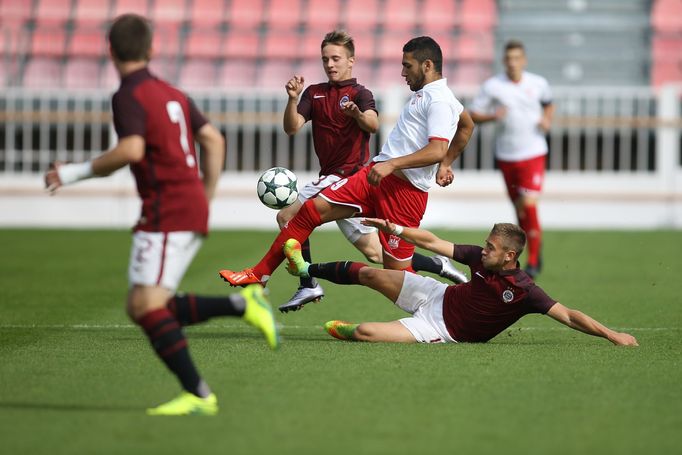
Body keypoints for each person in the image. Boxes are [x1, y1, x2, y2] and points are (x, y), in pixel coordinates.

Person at [43, 14, 279, 416]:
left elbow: (131, 150)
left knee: (147, 307)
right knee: (145, 304)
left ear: (110, 51)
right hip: (181, 206)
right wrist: (205, 193)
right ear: (152, 49)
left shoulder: (128, 95)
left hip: (167, 209)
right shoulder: (172, 93)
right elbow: (213, 139)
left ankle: (200, 394)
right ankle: (242, 307)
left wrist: (71, 172)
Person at [220, 36, 475, 304]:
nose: (402, 72)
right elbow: (467, 125)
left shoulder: (439, 101)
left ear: (427, 65)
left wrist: (402, 163)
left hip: (403, 193)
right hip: (374, 177)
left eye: (407, 66)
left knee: (397, 275)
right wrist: (445, 164)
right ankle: (260, 275)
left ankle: (452, 305)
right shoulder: (429, 95)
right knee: (307, 212)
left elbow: (437, 148)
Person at [281, 222, 638, 346]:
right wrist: (397, 230)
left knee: (365, 333)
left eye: (491, 248)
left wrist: (612, 334)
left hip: (439, 328)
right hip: (438, 294)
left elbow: (570, 316)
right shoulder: (478, 258)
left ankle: (349, 330)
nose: (483, 251)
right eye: (485, 244)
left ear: (510, 257)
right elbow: (435, 242)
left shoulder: (525, 290)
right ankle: (307, 267)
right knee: (373, 273)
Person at [469, 40, 554, 278]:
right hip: (507, 154)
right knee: (520, 210)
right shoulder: (493, 86)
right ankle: (529, 249)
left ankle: (535, 261)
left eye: (517, 58)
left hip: (533, 152)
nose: (513, 63)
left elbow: (549, 104)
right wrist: (493, 116)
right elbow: (474, 113)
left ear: (524, 60)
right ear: (503, 61)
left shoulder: (538, 83)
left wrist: (547, 119)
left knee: (529, 204)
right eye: (509, 58)